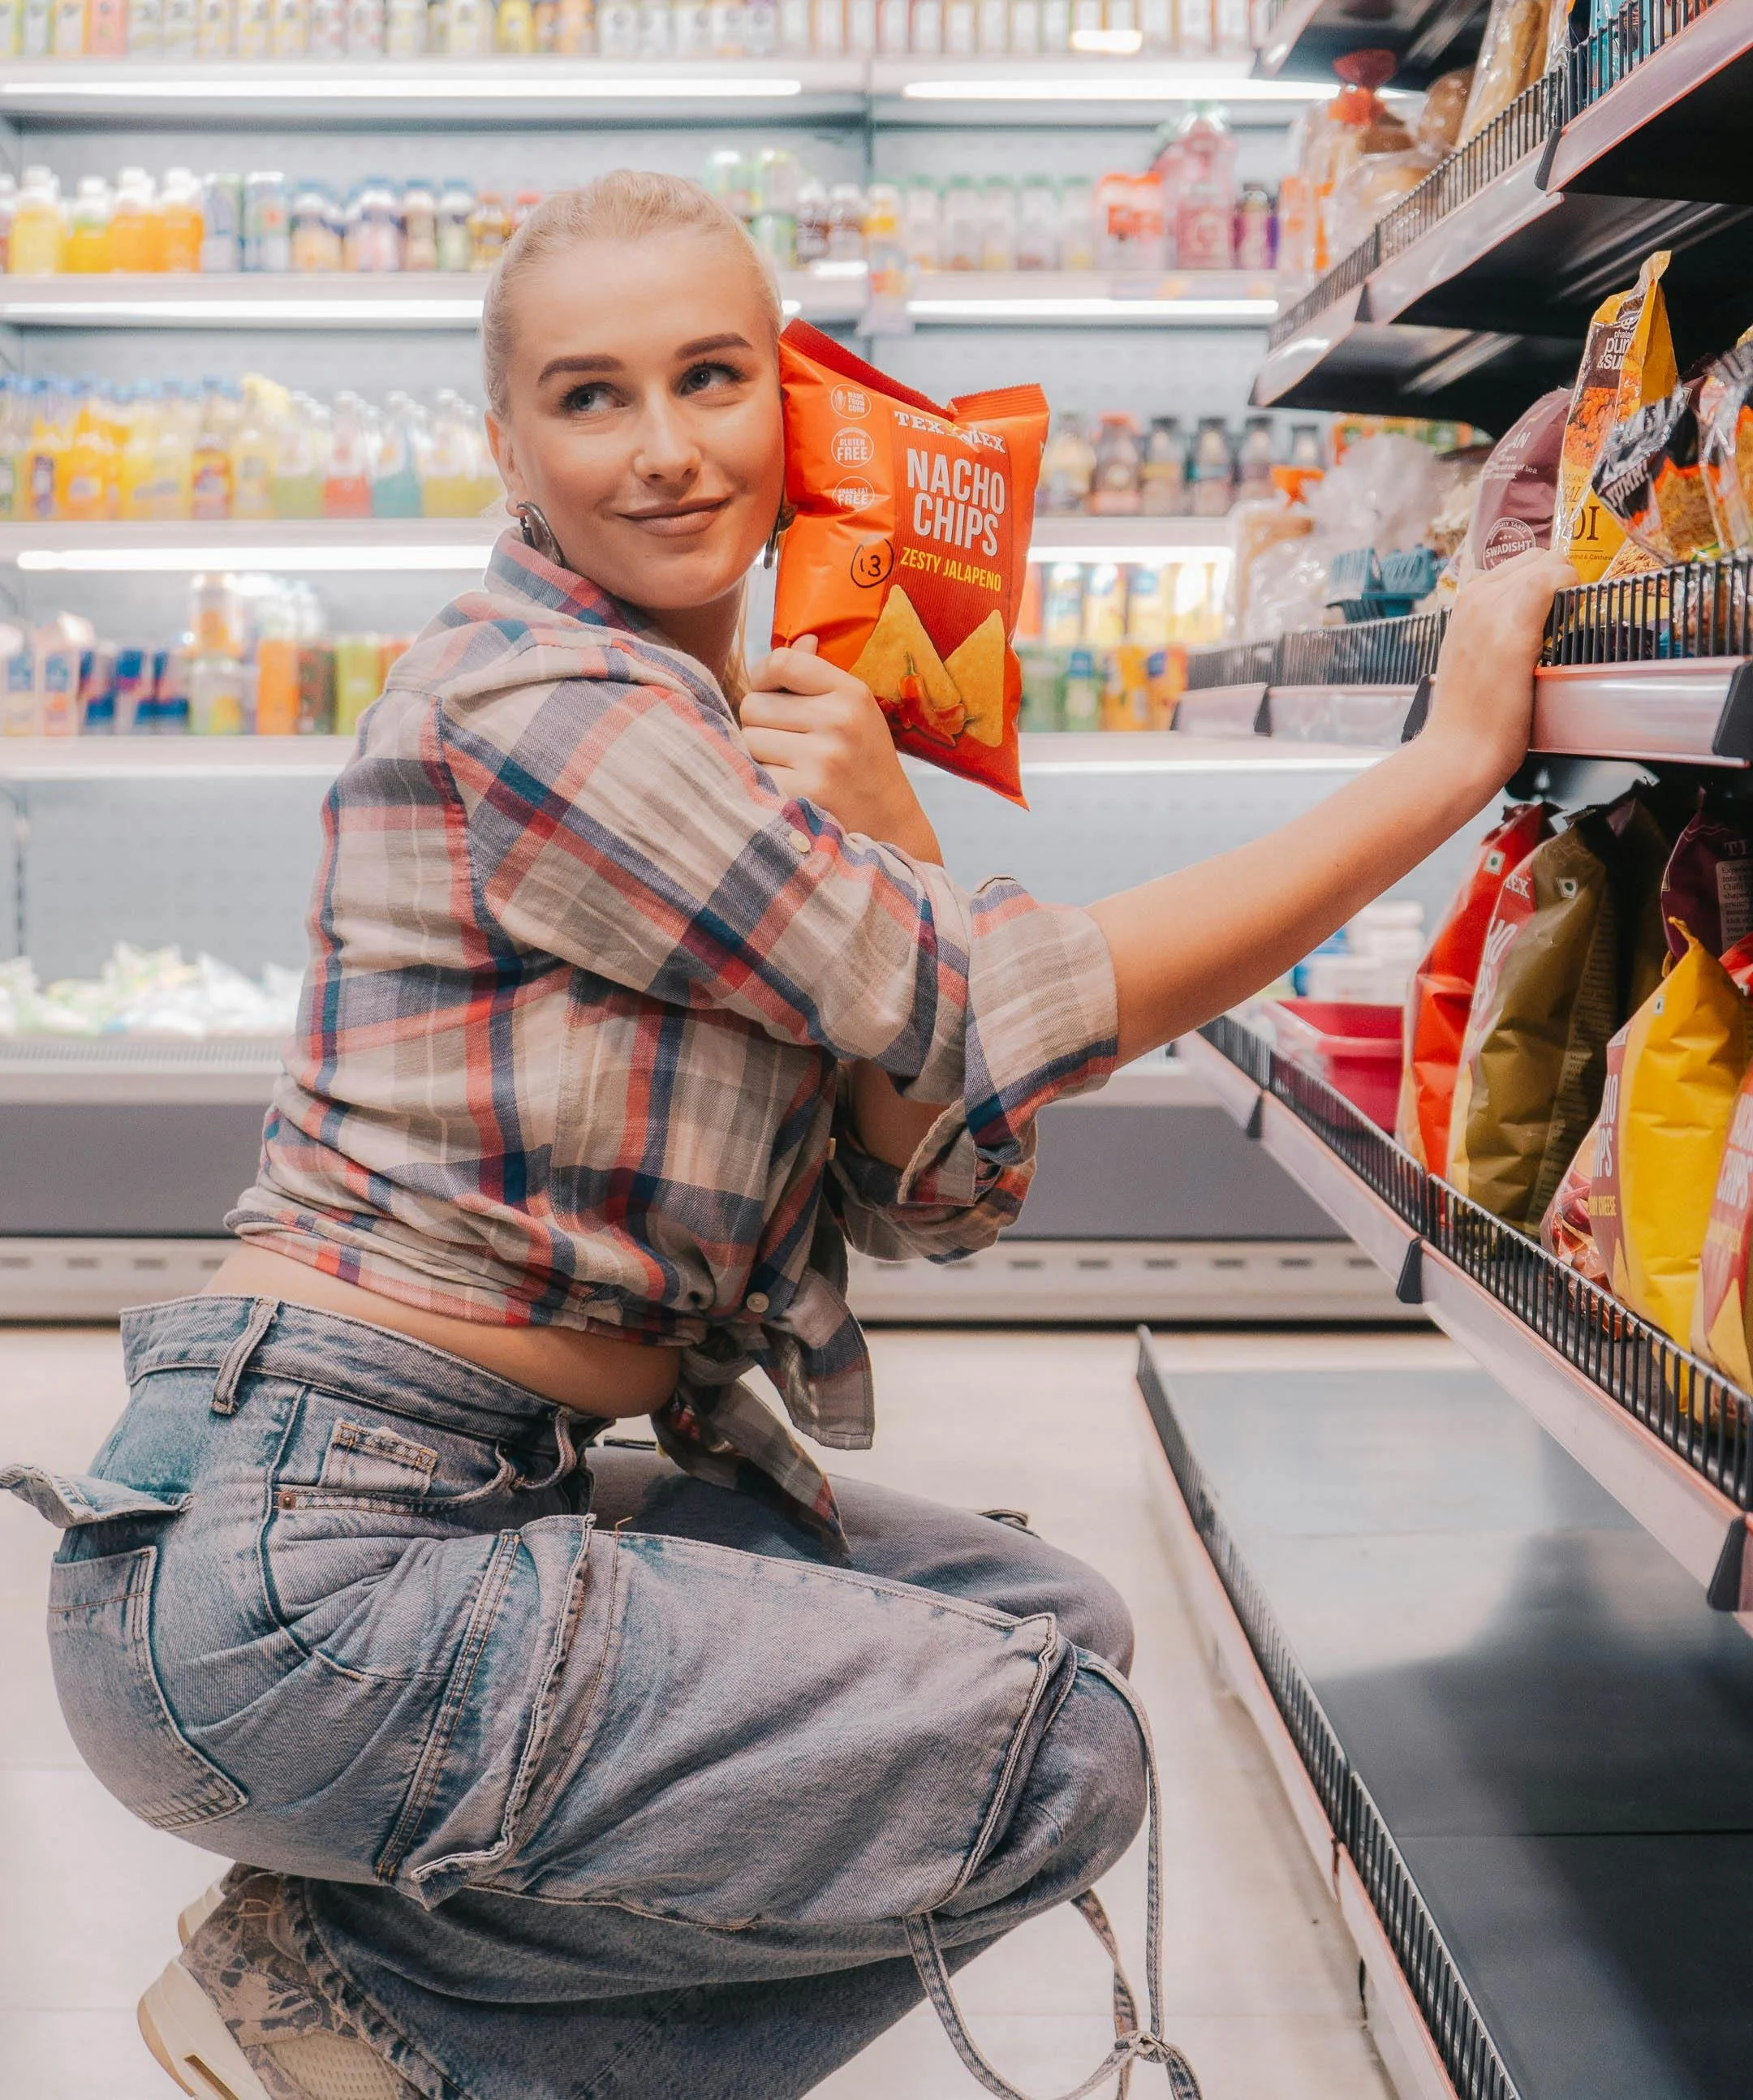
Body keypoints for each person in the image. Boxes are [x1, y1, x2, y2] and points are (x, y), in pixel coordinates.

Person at [1, 171, 1570, 2100]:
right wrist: (1446, 764)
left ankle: (381, 2016)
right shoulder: (544, 704)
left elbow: (934, 1194)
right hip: (307, 1567)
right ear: (506, 441)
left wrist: (891, 840)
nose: (664, 450)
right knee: (1056, 1748)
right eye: (590, 398)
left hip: (466, 1492)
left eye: (712, 379)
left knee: (1032, 1622)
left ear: (801, 405)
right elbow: (1005, 1011)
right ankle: (382, 2015)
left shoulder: (729, 726)